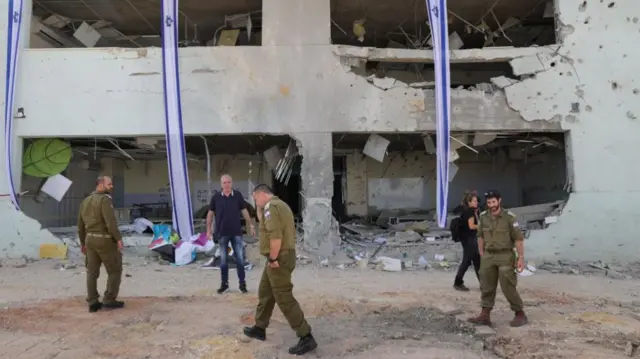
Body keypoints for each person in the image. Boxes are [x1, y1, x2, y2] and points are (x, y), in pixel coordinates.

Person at [242, 184, 317, 356]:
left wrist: (273, 258)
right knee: (265, 292)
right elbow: (269, 229)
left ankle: (306, 336)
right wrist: (260, 213)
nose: (255, 202)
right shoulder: (278, 206)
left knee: (284, 297)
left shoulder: (272, 207)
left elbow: (275, 238)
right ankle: (260, 328)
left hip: (278, 258)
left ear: (262, 194)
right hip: (278, 257)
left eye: (255, 198)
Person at [468, 190, 528, 327]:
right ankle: (485, 315)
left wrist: (521, 258)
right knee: (486, 285)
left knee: (507, 285)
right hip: (488, 255)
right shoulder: (483, 217)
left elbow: (518, 239)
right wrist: (481, 253)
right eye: (489, 202)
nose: (491, 205)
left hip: (505, 254)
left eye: (493, 202)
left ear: (499, 201)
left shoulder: (509, 217)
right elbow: (480, 236)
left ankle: (520, 313)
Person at [77, 176, 125, 313]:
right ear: (100, 185)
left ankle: (92, 301)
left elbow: (80, 225)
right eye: (109, 184)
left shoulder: (85, 201)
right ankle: (109, 299)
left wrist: (82, 242)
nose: (112, 186)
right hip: (104, 240)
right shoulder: (104, 200)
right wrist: (118, 239)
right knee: (115, 269)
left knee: (92, 272)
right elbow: (110, 222)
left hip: (90, 240)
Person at [206, 174, 256, 294]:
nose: (227, 185)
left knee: (239, 259)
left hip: (236, 233)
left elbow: (244, 211)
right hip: (222, 233)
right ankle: (224, 284)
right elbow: (210, 214)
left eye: (228, 182)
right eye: (224, 183)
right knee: (223, 260)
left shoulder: (237, 196)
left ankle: (242, 284)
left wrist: (251, 225)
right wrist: (208, 230)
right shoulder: (216, 197)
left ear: (232, 183)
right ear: (221, 184)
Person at [453, 192, 481, 291]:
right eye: (474, 201)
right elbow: (471, 226)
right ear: (469, 202)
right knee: (471, 261)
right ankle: (458, 282)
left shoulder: (469, 211)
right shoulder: (469, 212)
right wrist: (482, 226)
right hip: (469, 239)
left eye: (476, 201)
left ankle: (459, 282)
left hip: (467, 239)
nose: (476, 202)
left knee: (473, 260)